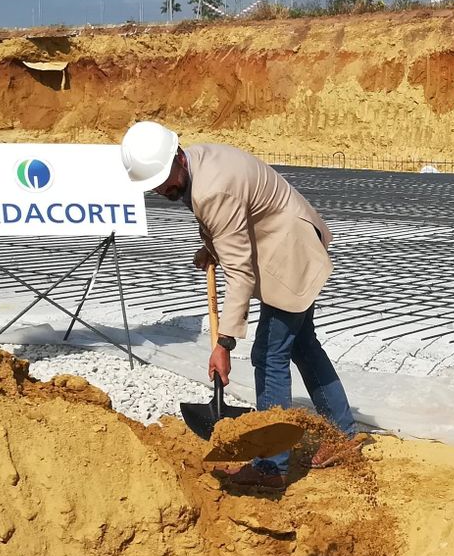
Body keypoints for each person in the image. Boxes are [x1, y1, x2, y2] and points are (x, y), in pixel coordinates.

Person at [120, 121, 361, 489]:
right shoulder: (196, 163)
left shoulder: (212, 189)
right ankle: (343, 433)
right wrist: (213, 247)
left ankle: (271, 467)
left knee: (269, 355)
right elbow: (232, 221)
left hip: (289, 253)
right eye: (152, 185)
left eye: (162, 181)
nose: (160, 190)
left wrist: (224, 343)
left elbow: (240, 273)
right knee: (302, 345)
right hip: (285, 239)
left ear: (178, 158)